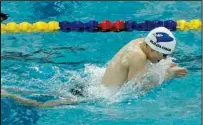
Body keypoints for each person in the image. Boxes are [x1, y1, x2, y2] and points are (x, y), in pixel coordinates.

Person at [1, 27, 188, 107]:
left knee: (43, 92)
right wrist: (167, 75)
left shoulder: (141, 42)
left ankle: (9, 89)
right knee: (41, 105)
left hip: (92, 83)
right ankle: (8, 94)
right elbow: (136, 89)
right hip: (95, 96)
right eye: (163, 55)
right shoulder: (138, 57)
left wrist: (163, 65)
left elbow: (147, 65)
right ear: (152, 47)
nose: (165, 58)